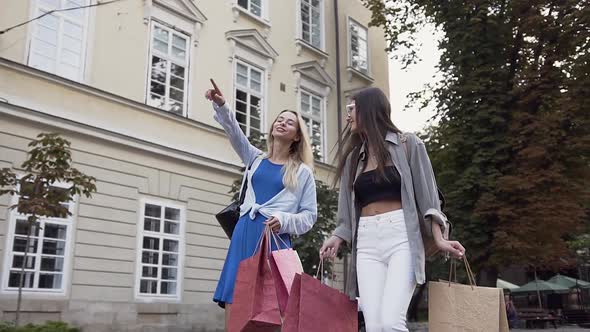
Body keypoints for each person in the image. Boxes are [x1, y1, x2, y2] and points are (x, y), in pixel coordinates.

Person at [319, 87, 465, 332]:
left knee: (391, 322)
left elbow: (429, 200)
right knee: (374, 325)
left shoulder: (409, 144)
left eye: (351, 109)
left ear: (369, 109)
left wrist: (439, 238)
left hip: (401, 237)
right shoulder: (355, 158)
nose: (348, 116)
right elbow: (346, 211)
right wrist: (337, 236)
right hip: (365, 242)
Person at [205, 80, 318, 329]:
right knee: (235, 299)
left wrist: (285, 220)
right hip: (245, 234)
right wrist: (222, 106)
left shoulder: (302, 173)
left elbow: (310, 216)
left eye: (290, 122)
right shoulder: (255, 158)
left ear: (297, 136)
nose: (282, 122)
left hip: (273, 241)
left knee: (269, 307)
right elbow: (235, 133)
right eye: (280, 119)